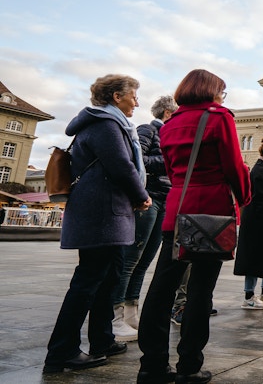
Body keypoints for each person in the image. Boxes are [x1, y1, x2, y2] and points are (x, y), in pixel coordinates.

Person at [137, 69, 251, 384]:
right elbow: (233, 165)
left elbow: (174, 171)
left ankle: (152, 366)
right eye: (222, 92)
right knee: (201, 292)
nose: (222, 98)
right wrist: (244, 197)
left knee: (161, 289)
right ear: (212, 92)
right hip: (210, 214)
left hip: (176, 209)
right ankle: (189, 365)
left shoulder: (170, 123)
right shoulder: (219, 117)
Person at [44, 74, 152, 373]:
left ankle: (102, 339)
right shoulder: (105, 124)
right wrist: (142, 195)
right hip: (102, 215)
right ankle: (61, 351)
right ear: (117, 96)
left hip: (107, 213)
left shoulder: (105, 122)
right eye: (133, 95)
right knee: (88, 281)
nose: (137, 101)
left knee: (109, 276)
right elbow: (121, 165)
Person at [111, 96, 178, 342]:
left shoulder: (171, 135)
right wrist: (169, 161)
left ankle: (131, 312)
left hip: (166, 201)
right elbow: (137, 160)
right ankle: (115, 316)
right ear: (168, 113)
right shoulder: (148, 130)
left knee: (144, 262)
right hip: (148, 199)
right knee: (131, 259)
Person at [234, 138, 263, 310]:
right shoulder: (259, 170)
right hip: (258, 223)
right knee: (254, 260)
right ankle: (248, 296)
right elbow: (262, 200)